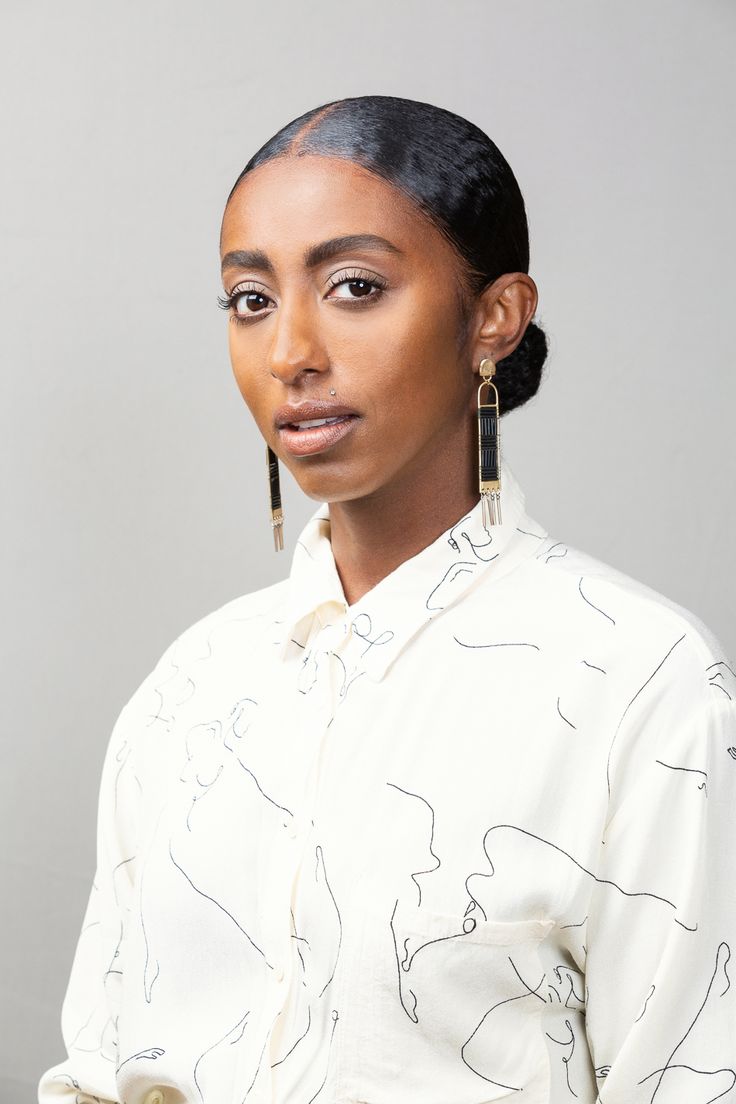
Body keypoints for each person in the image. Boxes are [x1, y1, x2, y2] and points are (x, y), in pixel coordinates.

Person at [38, 95, 735, 1104]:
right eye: (251, 300)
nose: (291, 354)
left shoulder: (637, 683)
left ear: (493, 316)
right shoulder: (191, 687)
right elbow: (99, 1069)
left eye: (355, 286)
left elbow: (693, 1076)